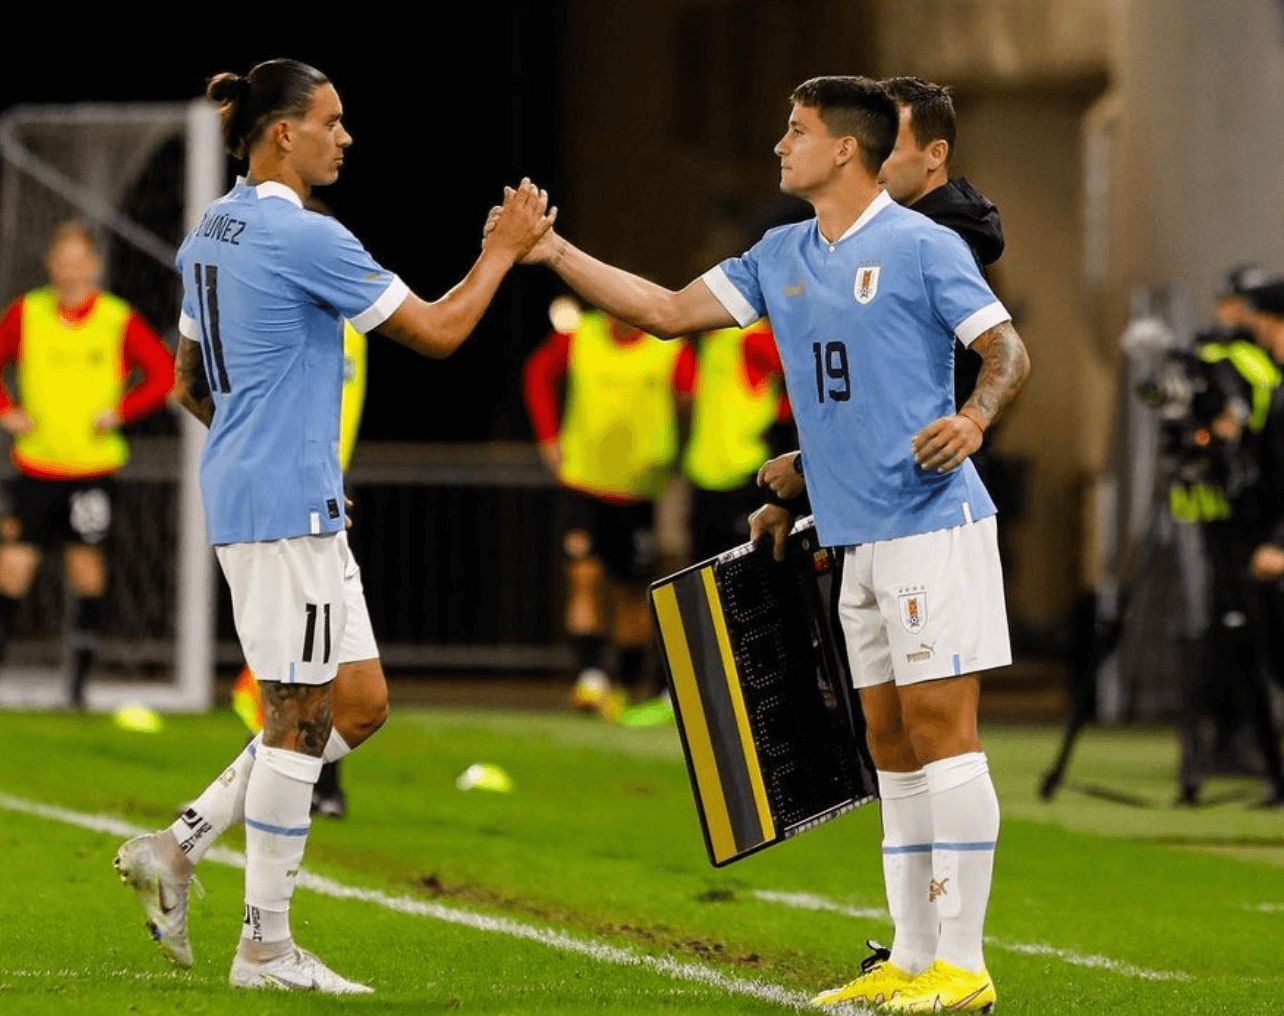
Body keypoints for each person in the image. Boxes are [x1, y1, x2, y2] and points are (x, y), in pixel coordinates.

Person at [499, 75, 1028, 1012]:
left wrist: (975, 419)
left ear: (845, 150)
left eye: (797, 129)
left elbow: (1006, 352)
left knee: (943, 734)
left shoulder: (921, 245)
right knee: (888, 741)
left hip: (931, 526)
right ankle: (912, 959)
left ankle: (965, 964)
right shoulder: (782, 252)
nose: (781, 144)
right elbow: (665, 312)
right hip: (856, 534)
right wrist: (553, 251)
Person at [114, 58, 553, 994]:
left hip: (277, 498)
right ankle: (264, 950)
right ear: (285, 133)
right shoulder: (305, 236)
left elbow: (190, 383)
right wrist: (503, 250)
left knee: (357, 704)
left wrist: (276, 454)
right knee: (299, 716)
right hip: (283, 510)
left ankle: (178, 845)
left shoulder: (210, 230)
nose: (345, 136)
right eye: (332, 120)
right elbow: (439, 331)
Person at [758, 75, 1006, 504]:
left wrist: (805, 471)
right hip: (873, 488)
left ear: (935, 155)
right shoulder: (878, 236)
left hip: (919, 494)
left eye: (888, 147)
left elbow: (895, 395)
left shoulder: (934, 246)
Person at [0, 221, 174, 706]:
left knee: (87, 568)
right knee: (13, 567)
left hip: (91, 470)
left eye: (79, 260)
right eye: (63, 260)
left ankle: (78, 686)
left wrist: (122, 411)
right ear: (51, 264)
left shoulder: (116, 318)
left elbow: (163, 374)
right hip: (36, 465)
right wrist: (6, 410)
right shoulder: (28, 313)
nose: (71, 270)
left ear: (94, 265)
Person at [524, 305, 694, 717]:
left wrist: (675, 455)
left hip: (638, 490)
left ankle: (629, 682)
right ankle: (591, 676)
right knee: (584, 576)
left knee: (631, 590)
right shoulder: (580, 336)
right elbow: (537, 374)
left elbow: (693, 401)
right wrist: (548, 437)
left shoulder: (668, 346)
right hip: (585, 483)